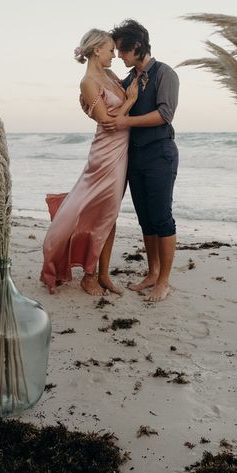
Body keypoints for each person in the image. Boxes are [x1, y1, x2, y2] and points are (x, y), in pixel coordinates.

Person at [40, 29, 138, 296]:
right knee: (98, 211)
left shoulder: (109, 75)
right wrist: (130, 101)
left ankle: (99, 273)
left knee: (108, 213)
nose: (114, 56)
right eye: (109, 51)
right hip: (105, 154)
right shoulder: (88, 81)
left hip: (121, 150)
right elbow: (106, 120)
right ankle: (89, 275)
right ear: (97, 50)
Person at [103, 19, 179, 302]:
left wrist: (125, 122)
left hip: (160, 153)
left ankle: (164, 281)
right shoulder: (128, 79)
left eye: (121, 50)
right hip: (134, 157)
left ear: (136, 46)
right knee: (145, 220)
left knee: (162, 218)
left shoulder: (165, 74)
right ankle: (151, 273)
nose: (119, 55)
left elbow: (164, 114)